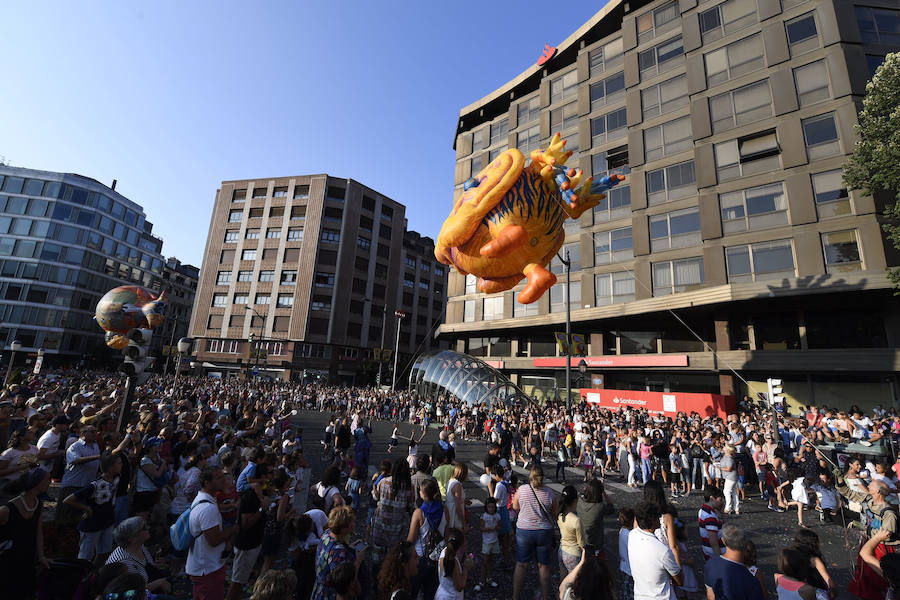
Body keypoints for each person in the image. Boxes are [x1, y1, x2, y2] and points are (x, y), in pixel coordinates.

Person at [187, 466, 237, 600]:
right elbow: (214, 541)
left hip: (205, 566)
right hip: (208, 569)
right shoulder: (207, 508)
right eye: (218, 478)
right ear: (207, 483)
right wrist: (235, 528)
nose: (223, 480)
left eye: (223, 476)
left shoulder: (205, 500)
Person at [64, 450, 121, 565]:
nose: (121, 465)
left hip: (107, 521)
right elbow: (68, 500)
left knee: (104, 552)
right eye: (119, 463)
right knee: (85, 557)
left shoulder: (116, 478)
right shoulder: (95, 484)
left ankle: (94, 575)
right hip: (92, 524)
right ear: (111, 467)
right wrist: (86, 508)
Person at [0, 467, 50, 599]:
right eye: (47, 480)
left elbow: (38, 532)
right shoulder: (7, 509)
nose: (50, 482)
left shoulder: (38, 505)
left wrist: (41, 557)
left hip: (28, 557)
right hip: (8, 560)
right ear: (37, 482)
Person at [227, 463, 272, 600]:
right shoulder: (251, 496)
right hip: (245, 545)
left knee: (242, 580)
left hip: (253, 543)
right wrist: (262, 509)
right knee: (237, 583)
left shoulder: (260, 493)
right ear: (263, 477)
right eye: (270, 473)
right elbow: (245, 524)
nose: (273, 476)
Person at [512, 465, 557, 600]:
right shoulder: (550, 493)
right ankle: (545, 596)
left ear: (530, 476)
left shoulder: (522, 489)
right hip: (544, 531)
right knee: (544, 566)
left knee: (521, 564)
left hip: (524, 530)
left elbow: (515, 507)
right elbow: (554, 513)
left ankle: (515, 596)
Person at [105, 516, 174, 598]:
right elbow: (131, 593)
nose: (148, 528)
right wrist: (159, 583)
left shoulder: (138, 546)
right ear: (133, 539)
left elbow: (145, 566)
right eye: (144, 527)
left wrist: (156, 565)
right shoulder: (123, 563)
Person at [628, 500, 682, 600]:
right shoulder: (663, 551)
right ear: (653, 519)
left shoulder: (632, 535)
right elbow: (679, 580)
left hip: (640, 595)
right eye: (658, 516)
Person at [407, 478, 449, 600]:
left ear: (424, 494)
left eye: (420, 490)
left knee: (413, 591)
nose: (419, 492)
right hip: (438, 558)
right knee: (431, 593)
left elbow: (411, 539)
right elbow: (447, 535)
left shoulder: (419, 513)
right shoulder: (444, 509)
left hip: (420, 558)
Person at [313, 505, 366, 600]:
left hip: (319, 590)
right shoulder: (339, 553)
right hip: (330, 594)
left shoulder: (326, 534)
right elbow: (345, 582)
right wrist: (358, 560)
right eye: (352, 522)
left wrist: (348, 548)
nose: (354, 524)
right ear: (343, 528)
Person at [371, 458, 415, 566]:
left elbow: (375, 497)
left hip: (380, 525)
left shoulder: (383, 482)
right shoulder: (409, 488)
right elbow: (409, 506)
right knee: (393, 561)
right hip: (397, 528)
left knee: (377, 561)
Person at [702, 525, 764, 600]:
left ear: (723, 541)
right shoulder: (750, 579)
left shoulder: (710, 564)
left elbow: (711, 596)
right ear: (745, 543)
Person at [57, 424, 99, 523]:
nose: (95, 434)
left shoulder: (95, 445)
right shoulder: (75, 446)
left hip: (86, 485)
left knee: (80, 516)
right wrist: (97, 457)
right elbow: (76, 460)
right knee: (65, 515)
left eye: (95, 431)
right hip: (73, 484)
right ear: (83, 433)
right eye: (92, 431)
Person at [791, 529, 834, 597]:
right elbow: (830, 583)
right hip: (816, 592)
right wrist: (834, 593)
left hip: (798, 592)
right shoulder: (814, 560)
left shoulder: (792, 556)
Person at [435, 527, 473, 600]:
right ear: (460, 546)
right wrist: (466, 569)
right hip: (451, 597)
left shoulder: (445, 552)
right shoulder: (452, 561)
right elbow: (460, 586)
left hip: (442, 593)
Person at [577, 478, 613, 553]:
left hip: (581, 540)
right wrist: (603, 491)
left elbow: (582, 495)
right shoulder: (600, 507)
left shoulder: (579, 502)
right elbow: (611, 507)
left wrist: (589, 487)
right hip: (595, 543)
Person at [557, 485, 584, 577]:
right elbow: (581, 542)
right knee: (575, 582)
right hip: (573, 553)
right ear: (575, 500)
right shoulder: (576, 520)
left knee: (564, 579)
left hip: (562, 550)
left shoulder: (560, 515)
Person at [476, 497, 501, 591]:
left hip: (494, 541)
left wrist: (497, 528)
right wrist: (489, 529)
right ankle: (481, 580)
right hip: (487, 541)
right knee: (485, 561)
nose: (491, 509)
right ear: (486, 507)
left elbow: (499, 526)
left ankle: (489, 578)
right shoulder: (484, 516)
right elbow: (481, 528)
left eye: (493, 507)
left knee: (491, 560)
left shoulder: (497, 516)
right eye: (489, 507)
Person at [699, 486, 725, 559]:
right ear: (712, 498)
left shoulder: (703, 510)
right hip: (714, 554)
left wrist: (721, 513)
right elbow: (714, 542)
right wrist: (719, 561)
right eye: (720, 500)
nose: (722, 503)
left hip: (707, 551)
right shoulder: (710, 516)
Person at [720, 445, 739, 515]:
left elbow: (729, 469)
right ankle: (736, 508)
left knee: (726, 492)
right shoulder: (726, 456)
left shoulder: (729, 458)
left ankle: (728, 508)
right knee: (734, 492)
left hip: (730, 477)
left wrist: (720, 468)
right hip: (731, 476)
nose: (723, 447)